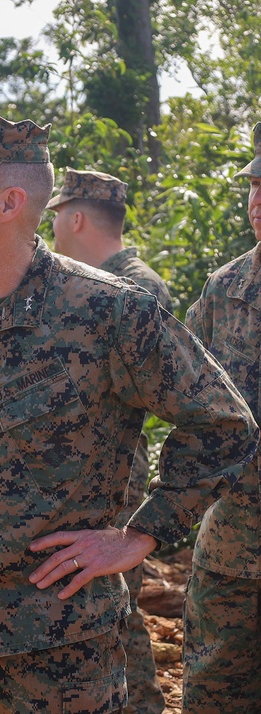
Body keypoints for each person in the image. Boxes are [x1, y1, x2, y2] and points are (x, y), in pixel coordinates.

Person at [0, 107, 257, 712]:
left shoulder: (110, 313)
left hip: (58, 653)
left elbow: (224, 426)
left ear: (9, 204)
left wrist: (140, 535)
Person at [47, 168, 170, 714]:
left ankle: (139, 704)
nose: (51, 231)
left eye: (55, 217)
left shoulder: (133, 284)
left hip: (112, 467)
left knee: (112, 602)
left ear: (76, 217)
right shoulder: (93, 280)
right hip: (82, 466)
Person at [182, 121, 261, 712]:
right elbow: (187, 402)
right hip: (233, 550)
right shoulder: (226, 289)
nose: (257, 202)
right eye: (254, 187)